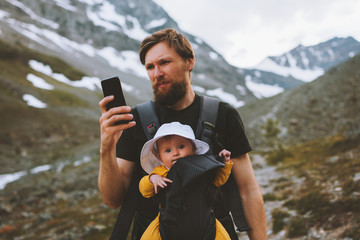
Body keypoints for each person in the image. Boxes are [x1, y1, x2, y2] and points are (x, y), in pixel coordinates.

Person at [98, 28, 267, 240]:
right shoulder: (135, 120)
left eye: (164, 62)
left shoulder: (223, 115)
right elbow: (112, 199)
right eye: (150, 67)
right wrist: (107, 147)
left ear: (189, 62)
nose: (156, 73)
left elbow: (248, 190)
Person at [139, 121, 232, 240]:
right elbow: (144, 191)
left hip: (202, 218)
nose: (175, 153)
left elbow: (218, 181)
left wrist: (225, 163)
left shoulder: (202, 166)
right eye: (168, 150)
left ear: (193, 149)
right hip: (168, 222)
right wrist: (152, 179)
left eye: (181, 147)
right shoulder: (161, 172)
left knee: (222, 236)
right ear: (159, 156)